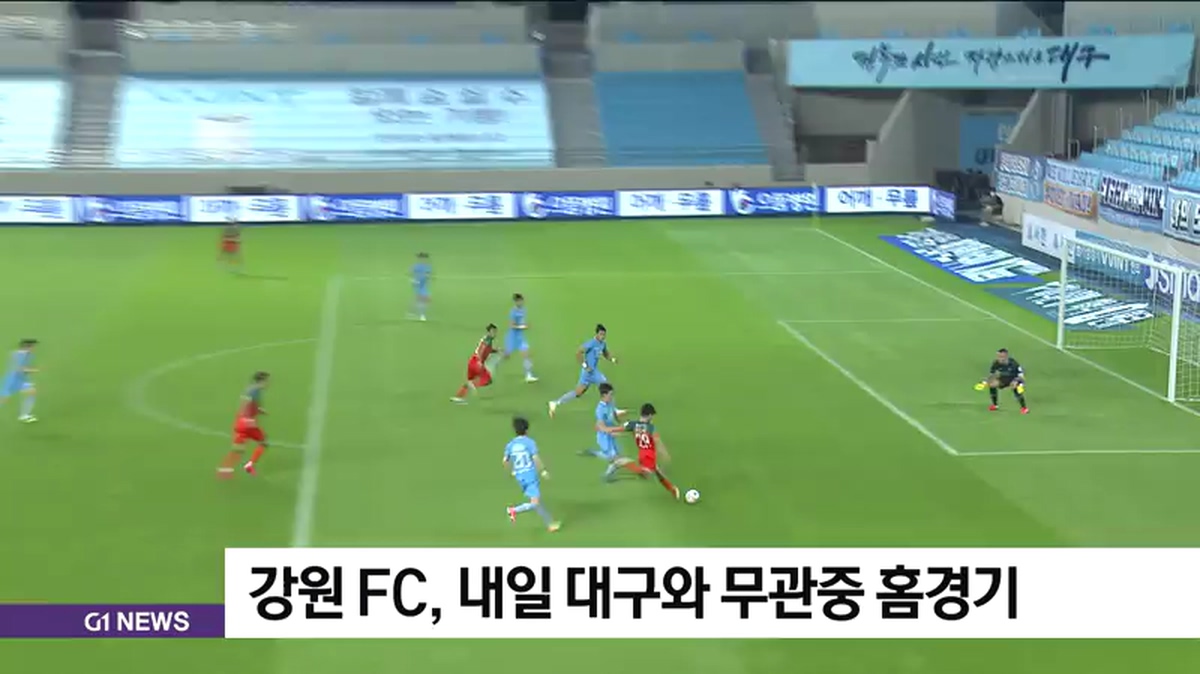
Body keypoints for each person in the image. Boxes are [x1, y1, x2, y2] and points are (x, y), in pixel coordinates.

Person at [503, 416, 560, 532]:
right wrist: (543, 471)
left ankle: (550, 524)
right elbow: (535, 458)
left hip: (519, 476)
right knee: (535, 503)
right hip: (530, 475)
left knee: (536, 501)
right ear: (527, 429)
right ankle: (513, 510)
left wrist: (512, 471)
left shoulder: (510, 445)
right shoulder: (529, 442)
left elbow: (505, 461)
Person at [548, 324, 617, 417]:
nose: (603, 336)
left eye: (604, 335)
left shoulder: (602, 344)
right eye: (601, 334)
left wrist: (612, 359)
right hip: (588, 373)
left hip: (594, 371)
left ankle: (555, 403)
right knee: (606, 388)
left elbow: (605, 353)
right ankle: (614, 410)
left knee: (580, 392)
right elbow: (579, 352)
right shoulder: (591, 343)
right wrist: (585, 365)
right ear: (597, 334)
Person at [622, 403, 680, 499]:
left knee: (657, 472)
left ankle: (672, 488)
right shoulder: (650, 427)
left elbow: (622, 428)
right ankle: (624, 463)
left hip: (641, 454)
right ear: (649, 415)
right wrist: (665, 455)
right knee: (647, 474)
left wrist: (609, 430)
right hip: (648, 455)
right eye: (652, 415)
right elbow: (658, 442)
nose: (652, 418)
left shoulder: (633, 424)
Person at [220, 371, 270, 477]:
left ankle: (225, 470)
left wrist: (259, 411)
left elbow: (250, 405)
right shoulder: (254, 391)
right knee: (263, 442)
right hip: (247, 423)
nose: (268, 383)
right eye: (267, 381)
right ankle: (249, 465)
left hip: (240, 422)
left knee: (238, 448)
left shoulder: (252, 389)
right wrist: (248, 418)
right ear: (262, 381)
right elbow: (246, 403)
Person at [452, 324, 498, 404]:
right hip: (477, 363)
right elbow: (482, 349)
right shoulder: (488, 340)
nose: (495, 334)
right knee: (488, 380)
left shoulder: (486, 339)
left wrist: (496, 351)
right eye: (493, 332)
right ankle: (472, 385)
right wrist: (479, 361)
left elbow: (487, 349)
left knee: (469, 381)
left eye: (495, 332)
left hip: (472, 361)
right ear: (488, 332)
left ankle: (458, 397)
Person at [0, 338, 38, 422]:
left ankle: (24, 415)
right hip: (12, 380)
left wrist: (28, 371)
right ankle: (24, 415)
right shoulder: (20, 355)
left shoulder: (27, 354)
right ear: (27, 347)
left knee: (32, 392)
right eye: (32, 346)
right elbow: (19, 369)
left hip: (20, 380)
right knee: (3, 399)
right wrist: (32, 370)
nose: (34, 348)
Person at [501, 293, 537, 383]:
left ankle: (528, 375)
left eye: (521, 300)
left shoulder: (523, 310)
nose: (521, 302)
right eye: (519, 301)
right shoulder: (513, 312)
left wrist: (523, 325)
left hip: (520, 337)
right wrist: (523, 327)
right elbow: (512, 326)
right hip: (512, 337)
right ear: (515, 302)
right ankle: (490, 365)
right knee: (506, 356)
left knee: (527, 354)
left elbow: (521, 322)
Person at [981, 348, 1028, 414]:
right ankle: (995, 405)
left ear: (1006, 356)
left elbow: (1021, 376)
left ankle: (1024, 408)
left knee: (1015, 386)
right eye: (999, 356)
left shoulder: (1013, 363)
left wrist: (1018, 381)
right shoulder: (996, 363)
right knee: (992, 384)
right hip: (1003, 379)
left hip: (1015, 379)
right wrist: (985, 382)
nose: (1000, 358)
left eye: (1002, 357)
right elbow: (992, 375)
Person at [411, 252, 432, 321]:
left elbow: (427, 275)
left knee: (425, 300)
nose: (424, 259)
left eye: (425, 258)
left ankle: (414, 311)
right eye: (423, 258)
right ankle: (422, 315)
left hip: (423, 285)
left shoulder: (427, 266)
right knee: (423, 299)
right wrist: (414, 281)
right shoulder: (416, 266)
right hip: (418, 285)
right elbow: (413, 274)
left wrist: (427, 279)